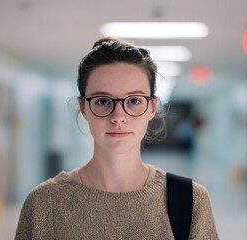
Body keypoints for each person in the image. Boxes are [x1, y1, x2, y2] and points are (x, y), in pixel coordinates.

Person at [14, 37, 219, 239]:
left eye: (134, 101)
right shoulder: (44, 204)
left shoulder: (189, 201)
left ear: (152, 108)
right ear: (84, 108)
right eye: (103, 101)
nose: (118, 117)